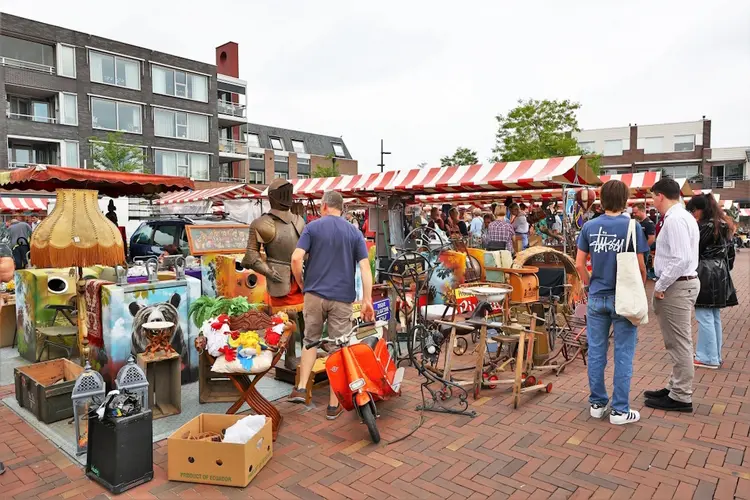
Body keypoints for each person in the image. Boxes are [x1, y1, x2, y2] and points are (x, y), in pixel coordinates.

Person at [289, 191, 375, 419]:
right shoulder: (354, 232)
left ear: (324, 205)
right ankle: (332, 404)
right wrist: (367, 300)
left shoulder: (312, 227)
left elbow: (296, 258)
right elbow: (366, 269)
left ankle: (301, 387)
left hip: (314, 295)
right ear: (342, 208)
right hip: (342, 298)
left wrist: (301, 283)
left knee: (310, 340)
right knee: (338, 349)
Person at [576, 180, 648, 425]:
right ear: (625, 200)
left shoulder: (589, 226)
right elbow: (640, 265)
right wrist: (641, 285)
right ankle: (619, 409)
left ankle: (597, 403)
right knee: (623, 353)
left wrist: (589, 283)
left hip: (597, 295)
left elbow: (578, 264)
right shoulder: (632, 226)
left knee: (596, 351)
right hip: (624, 296)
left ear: (602, 199)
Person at [644, 178, 700, 413]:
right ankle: (675, 387)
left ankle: (681, 395)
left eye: (653, 196)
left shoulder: (676, 219)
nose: (652, 201)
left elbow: (679, 259)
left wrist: (661, 286)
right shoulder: (681, 217)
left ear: (660, 196)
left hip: (677, 285)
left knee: (679, 343)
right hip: (680, 284)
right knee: (676, 341)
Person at [686, 195, 737, 369]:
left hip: (705, 272)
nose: (693, 215)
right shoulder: (723, 225)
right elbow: (731, 254)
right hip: (720, 271)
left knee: (704, 315)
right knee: (713, 316)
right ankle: (714, 354)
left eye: (693, 210)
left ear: (700, 210)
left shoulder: (704, 226)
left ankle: (708, 357)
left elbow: (693, 250)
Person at [632, 203, 656, 280]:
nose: (634, 214)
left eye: (636, 212)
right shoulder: (639, 223)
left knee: (642, 269)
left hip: (643, 250)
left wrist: (643, 248)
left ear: (642, 211)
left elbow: (652, 238)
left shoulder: (649, 224)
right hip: (638, 249)